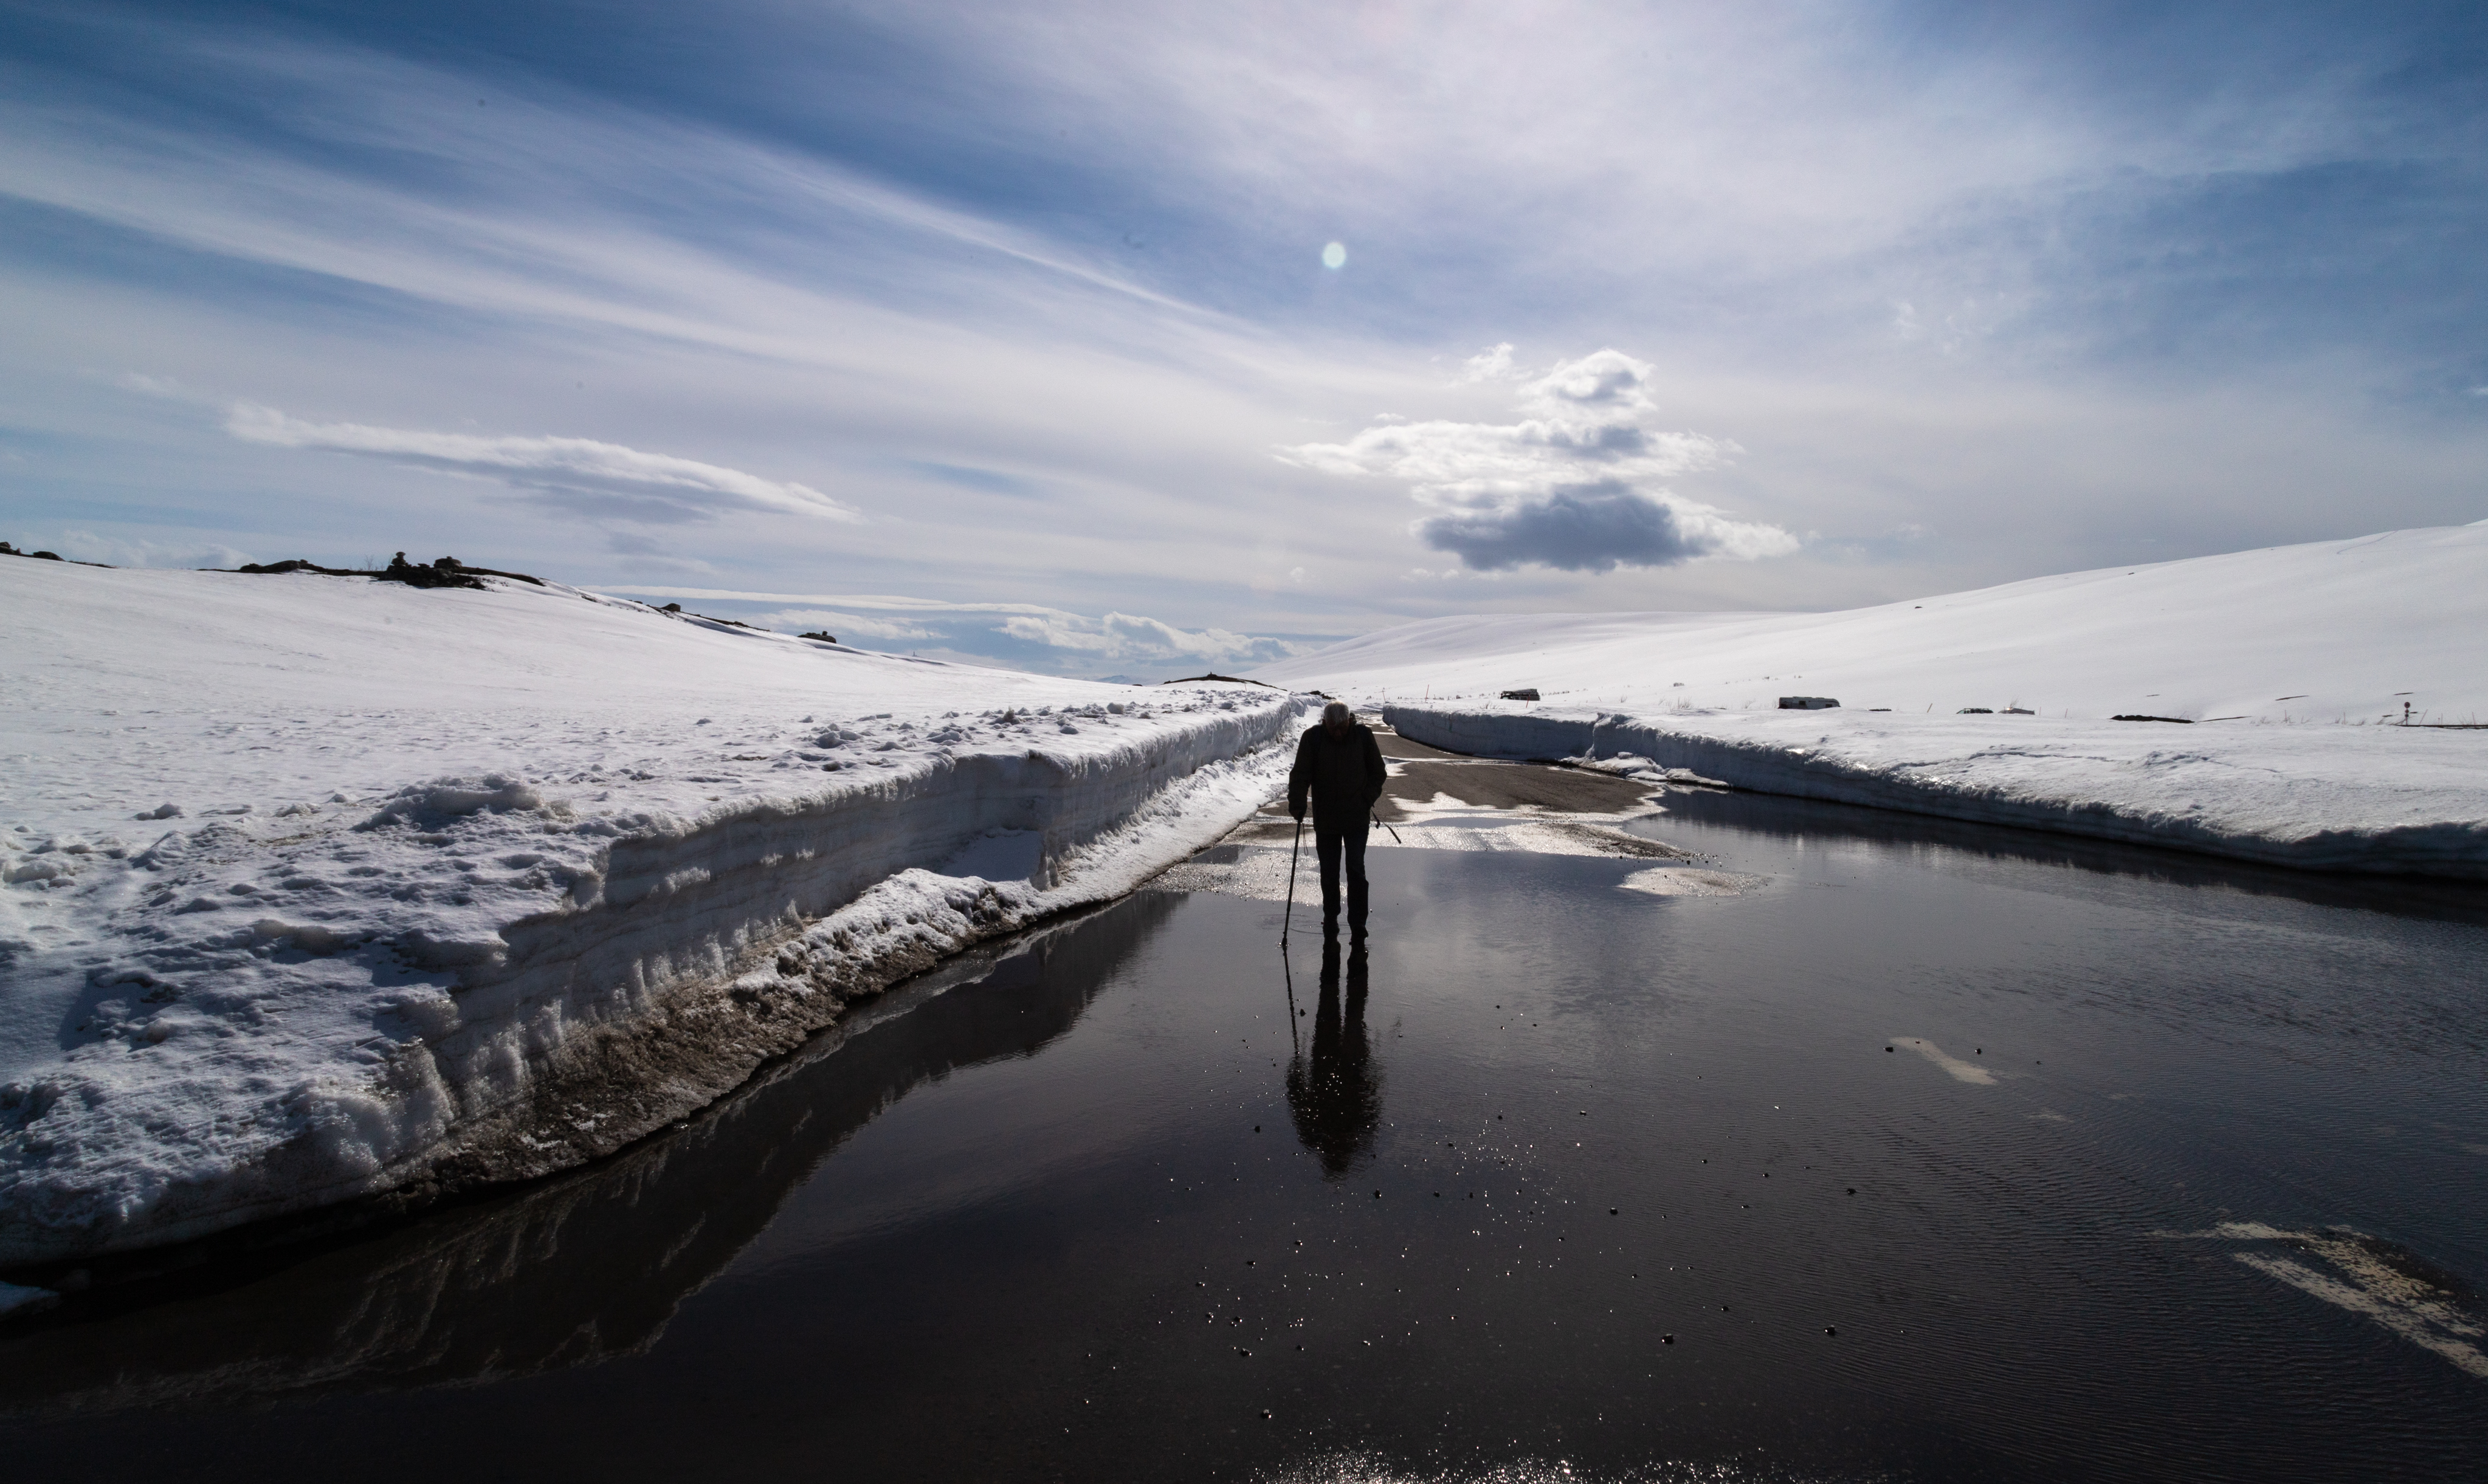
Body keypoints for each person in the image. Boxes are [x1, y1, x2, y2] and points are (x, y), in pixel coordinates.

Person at [1286, 701, 1387, 942]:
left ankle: (1358, 924)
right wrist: (1297, 804)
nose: (1338, 733)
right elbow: (1300, 774)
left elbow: (1378, 772)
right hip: (1327, 818)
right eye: (1333, 729)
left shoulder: (1363, 736)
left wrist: (1366, 799)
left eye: (1341, 728)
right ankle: (1331, 917)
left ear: (1349, 721)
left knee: (1355, 870)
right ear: (1325, 723)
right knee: (1329, 872)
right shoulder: (1313, 738)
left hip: (1356, 818)